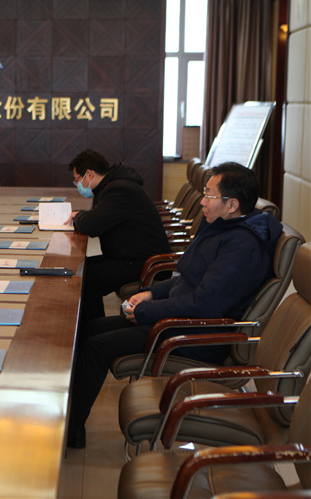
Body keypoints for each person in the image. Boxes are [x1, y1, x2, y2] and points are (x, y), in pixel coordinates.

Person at [66, 162, 282, 449]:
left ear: (232, 205)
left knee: (96, 346)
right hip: (177, 320)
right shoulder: (220, 227)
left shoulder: (242, 246)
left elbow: (204, 304)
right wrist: (151, 294)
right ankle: (72, 421)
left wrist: (145, 312)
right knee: (92, 328)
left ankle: (71, 432)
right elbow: (187, 276)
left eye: (209, 195)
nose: (203, 201)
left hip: (197, 334)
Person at [66, 150, 171, 324]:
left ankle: (93, 330)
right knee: (81, 268)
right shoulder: (112, 186)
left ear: (89, 174)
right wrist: (83, 216)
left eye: (78, 180)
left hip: (145, 264)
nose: (78, 185)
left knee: (85, 279)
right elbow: (96, 219)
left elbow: (91, 225)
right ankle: (91, 328)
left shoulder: (119, 190)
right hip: (129, 257)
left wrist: (78, 215)